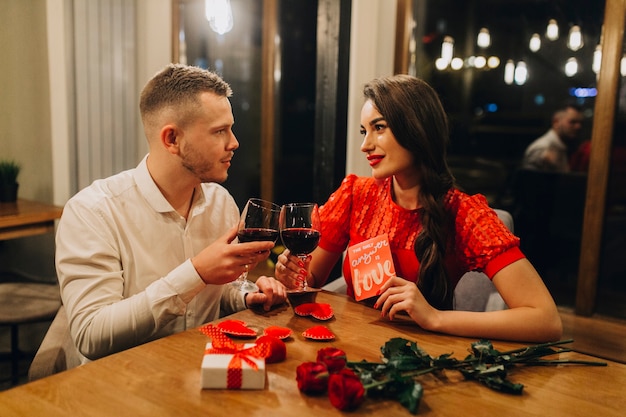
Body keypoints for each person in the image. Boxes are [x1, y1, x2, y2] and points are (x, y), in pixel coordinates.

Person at [275, 74, 562, 343]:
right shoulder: (355, 194)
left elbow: (546, 320)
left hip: (423, 358)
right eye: (364, 131)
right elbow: (309, 282)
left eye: (379, 128)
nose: (365, 145)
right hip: (352, 345)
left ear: (416, 129)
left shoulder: (465, 214)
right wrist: (293, 277)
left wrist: (435, 318)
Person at [56, 64, 286, 362]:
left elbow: (220, 292)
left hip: (203, 370)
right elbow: (92, 335)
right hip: (125, 385)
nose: (234, 142)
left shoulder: (220, 202)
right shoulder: (92, 212)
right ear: (172, 140)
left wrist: (246, 294)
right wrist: (196, 273)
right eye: (220, 131)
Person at [522, 104, 584, 172]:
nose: (578, 127)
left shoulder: (563, 146)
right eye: (572, 122)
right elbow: (527, 180)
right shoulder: (542, 148)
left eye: (580, 123)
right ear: (556, 122)